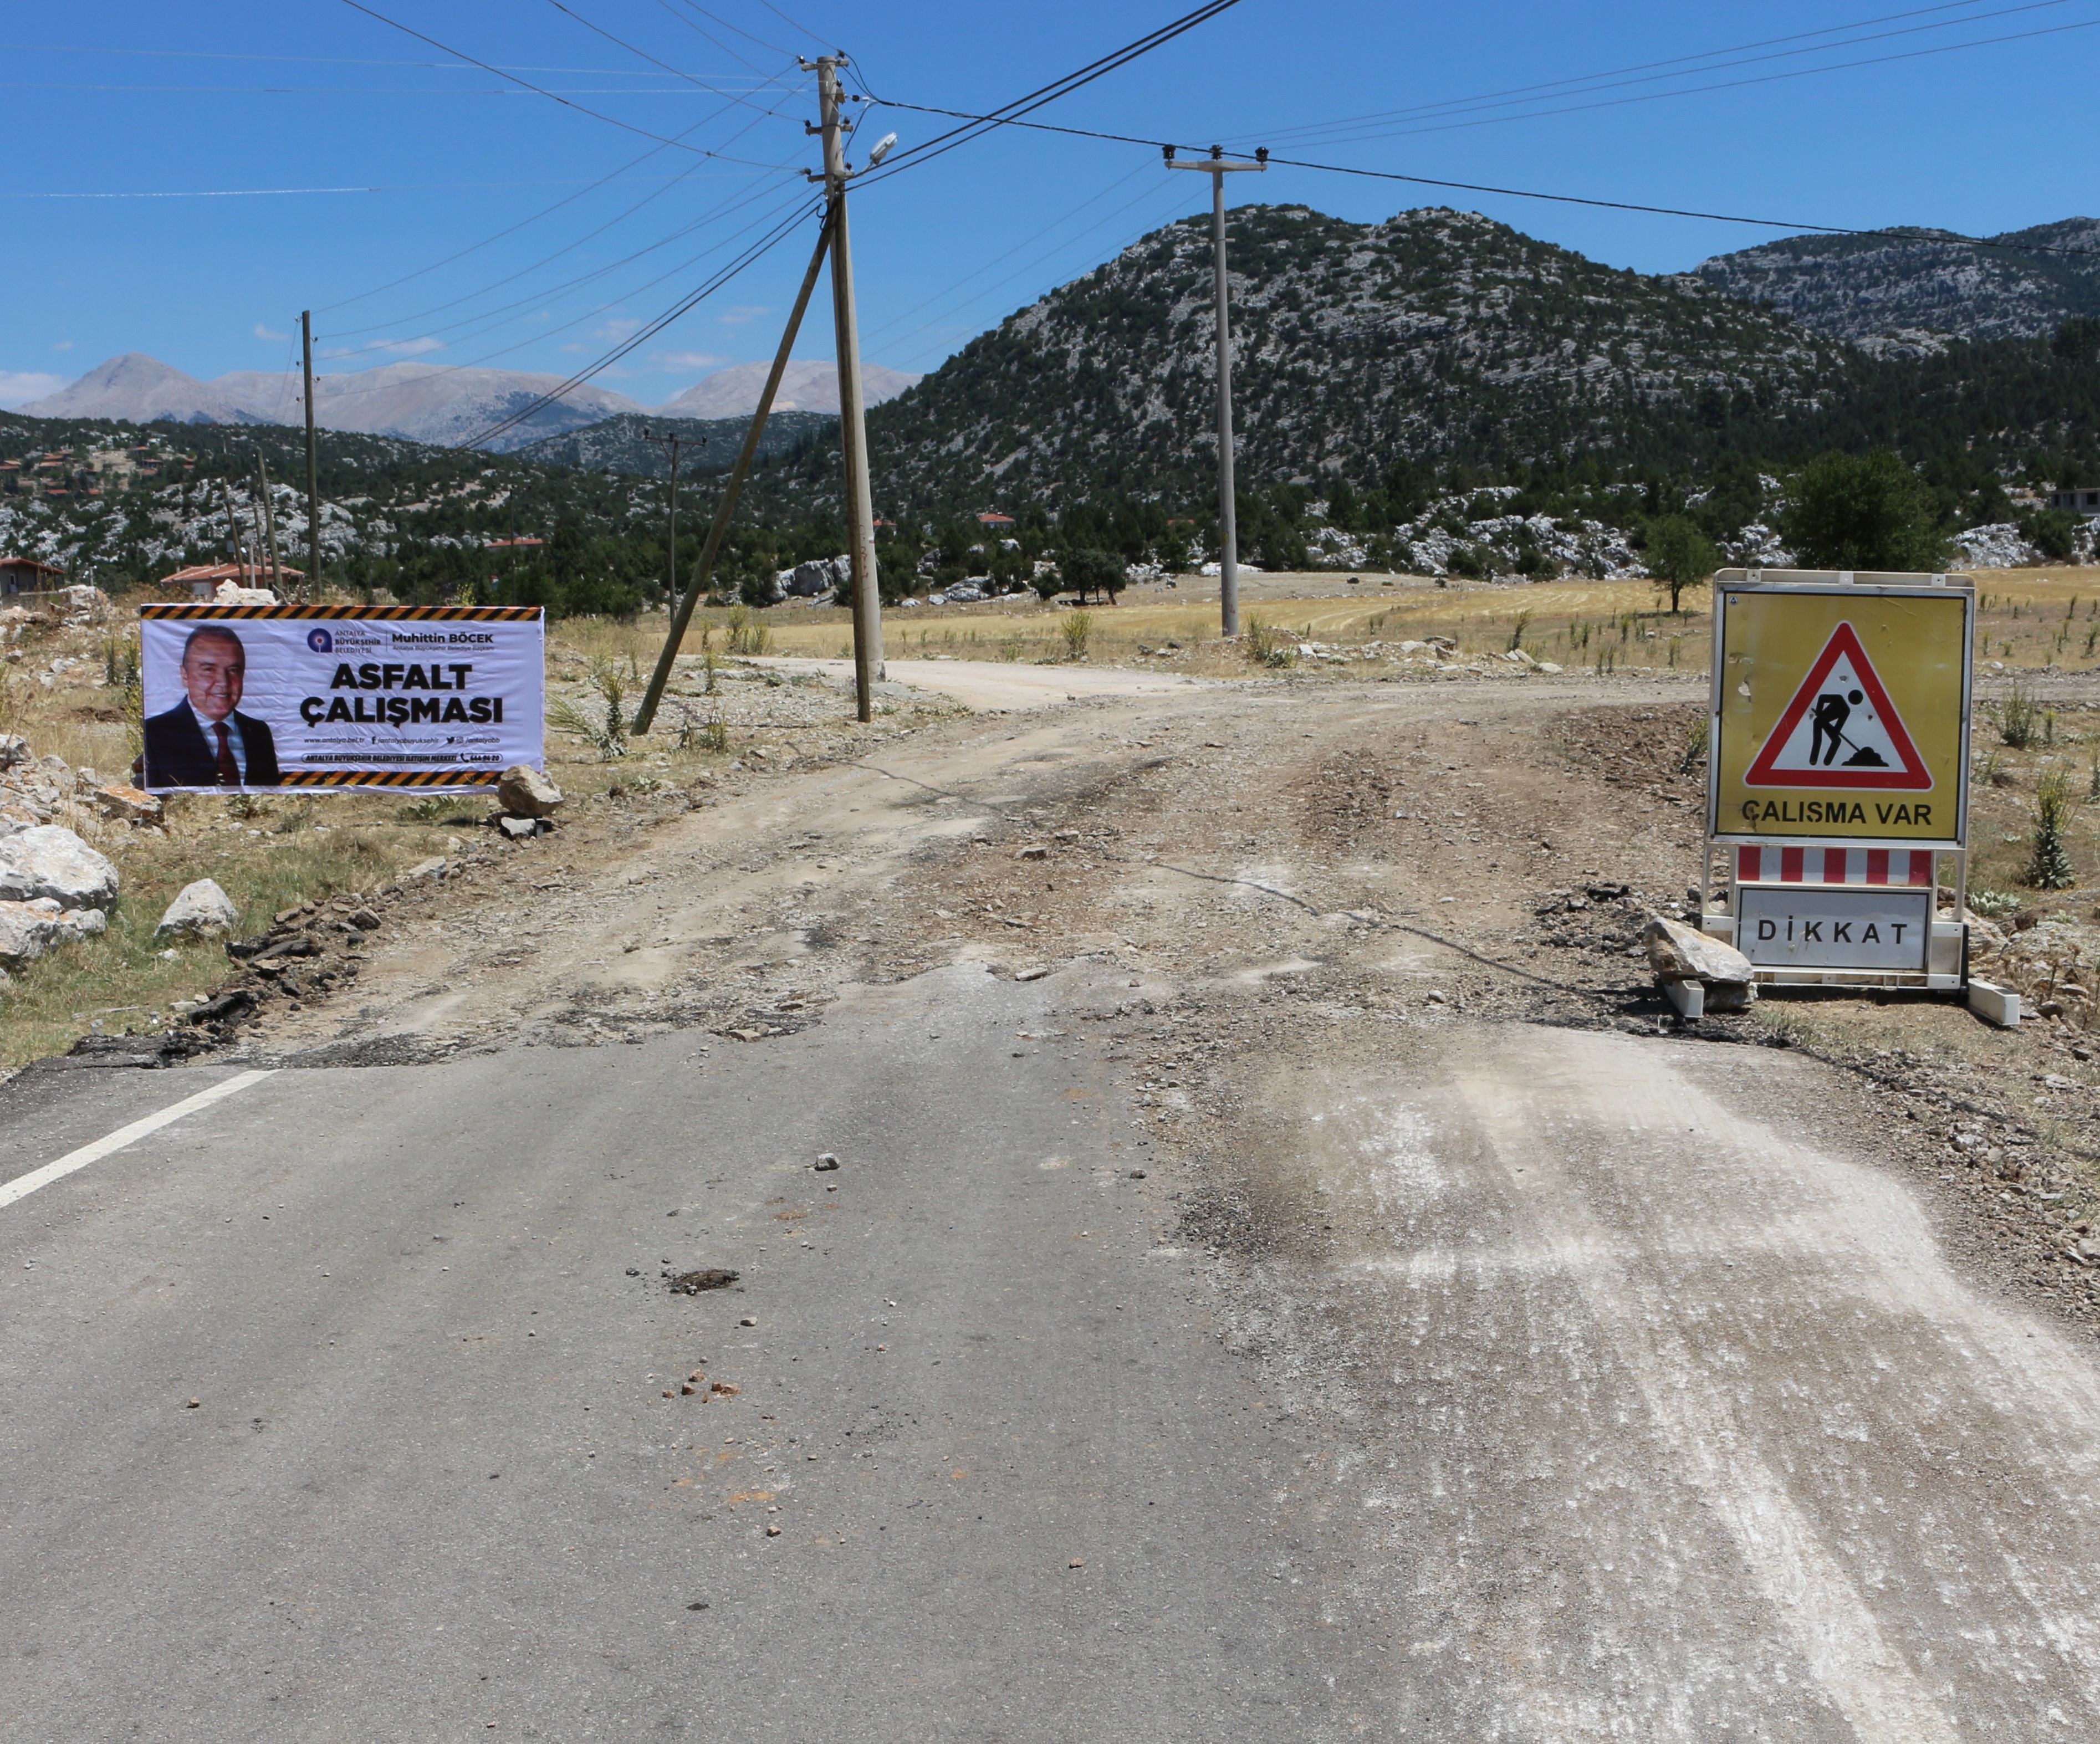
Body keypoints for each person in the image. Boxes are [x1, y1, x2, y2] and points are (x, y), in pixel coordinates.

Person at [142, 625, 281, 788]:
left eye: (233, 670)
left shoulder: (259, 733)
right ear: (185, 675)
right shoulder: (155, 734)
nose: (223, 682)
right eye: (209, 670)